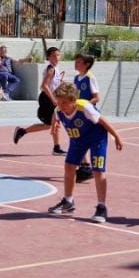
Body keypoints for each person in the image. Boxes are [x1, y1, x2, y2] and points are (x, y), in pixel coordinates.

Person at [46, 82, 124, 224]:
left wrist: (117, 136)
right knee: (69, 167)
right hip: (78, 139)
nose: (60, 105)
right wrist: (54, 124)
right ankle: (68, 201)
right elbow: (55, 114)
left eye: (64, 103)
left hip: (96, 138)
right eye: (58, 102)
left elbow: (103, 121)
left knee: (98, 171)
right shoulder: (59, 109)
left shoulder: (85, 107)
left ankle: (101, 207)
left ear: (73, 101)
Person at [12, 46, 66, 156]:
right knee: (54, 123)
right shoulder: (51, 69)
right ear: (49, 57)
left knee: (50, 124)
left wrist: (61, 81)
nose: (57, 57)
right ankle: (56, 148)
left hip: (50, 98)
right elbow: (44, 86)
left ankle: (22, 132)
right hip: (47, 98)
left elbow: (52, 85)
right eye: (54, 55)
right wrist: (53, 99)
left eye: (58, 55)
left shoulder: (55, 69)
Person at [72, 53, 103, 182]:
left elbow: (97, 97)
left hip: (88, 114)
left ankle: (88, 167)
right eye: (76, 61)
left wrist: (85, 104)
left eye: (79, 62)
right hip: (78, 114)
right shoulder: (76, 79)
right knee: (77, 138)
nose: (76, 63)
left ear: (86, 64)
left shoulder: (90, 78)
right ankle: (85, 167)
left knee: (84, 140)